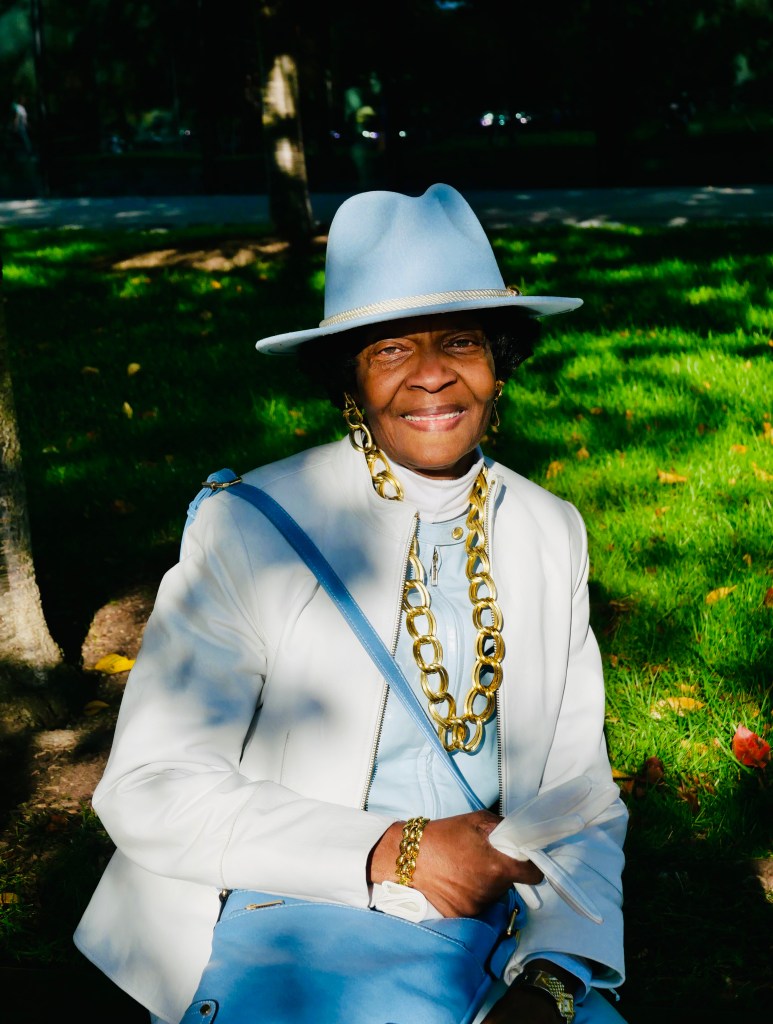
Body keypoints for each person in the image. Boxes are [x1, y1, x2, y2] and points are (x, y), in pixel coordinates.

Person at [74, 183, 628, 1024]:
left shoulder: (549, 529)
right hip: (295, 915)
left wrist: (553, 973)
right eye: (390, 349)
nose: (432, 374)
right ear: (348, 378)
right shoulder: (252, 526)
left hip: (497, 933)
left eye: (461, 341)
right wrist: (395, 851)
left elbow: (577, 793)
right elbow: (151, 786)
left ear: (500, 360)